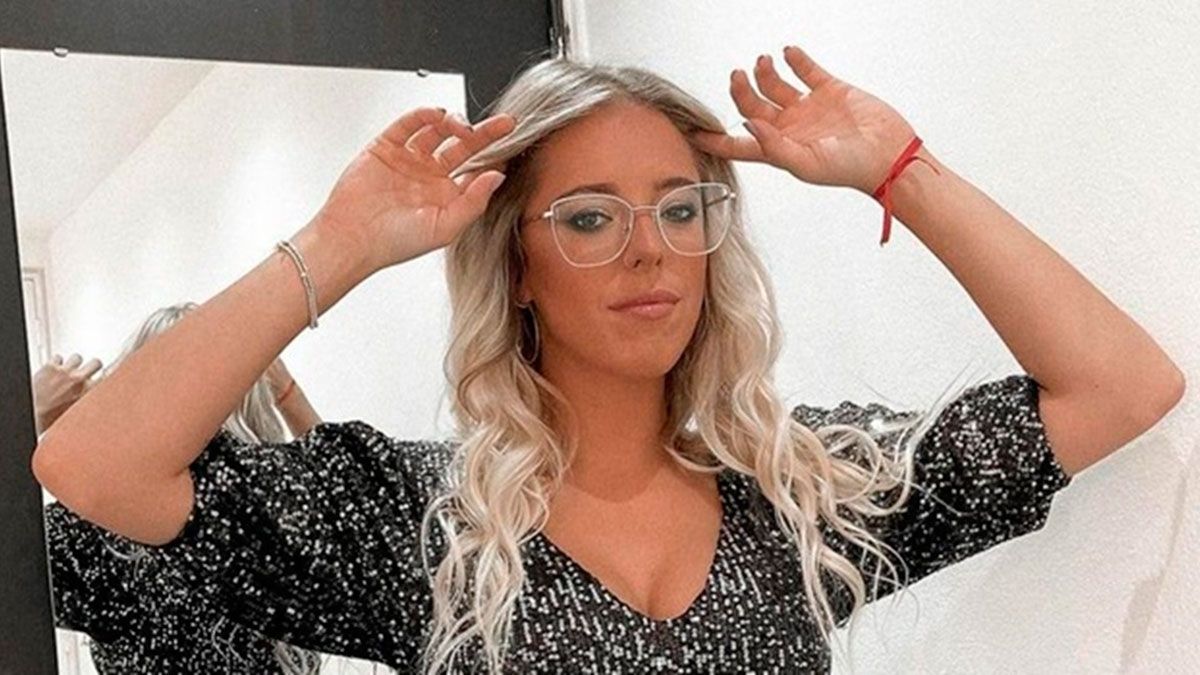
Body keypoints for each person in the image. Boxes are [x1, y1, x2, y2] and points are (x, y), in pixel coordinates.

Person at [31, 45, 1185, 674]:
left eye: (682, 209)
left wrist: (902, 172)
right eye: (589, 218)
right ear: (518, 265)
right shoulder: (421, 524)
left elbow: (1121, 388)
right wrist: (340, 243)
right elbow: (93, 467)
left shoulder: (798, 491)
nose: (652, 250)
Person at [33, 302, 324, 673]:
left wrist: (29, 415)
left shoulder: (106, 529)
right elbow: (357, 505)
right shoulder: (276, 506)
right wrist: (288, 395)